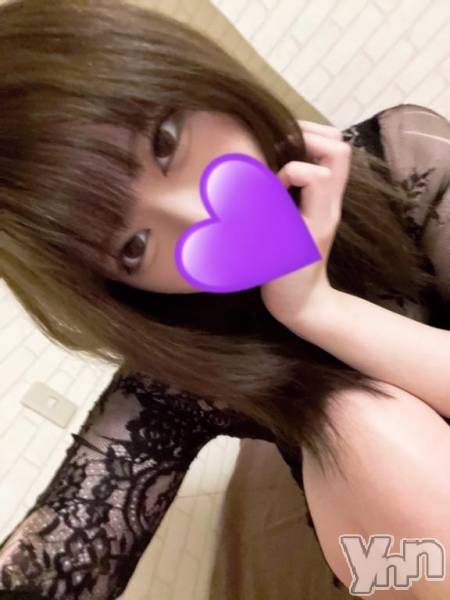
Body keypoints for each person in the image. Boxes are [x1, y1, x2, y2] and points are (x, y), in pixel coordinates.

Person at [0, 1, 449, 598]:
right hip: (413, 545)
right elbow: (54, 562)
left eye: (165, 143)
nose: (198, 214)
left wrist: (323, 308)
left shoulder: (405, 157)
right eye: (133, 247)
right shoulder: (179, 367)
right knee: (359, 425)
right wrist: (308, 311)